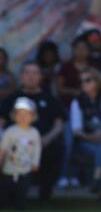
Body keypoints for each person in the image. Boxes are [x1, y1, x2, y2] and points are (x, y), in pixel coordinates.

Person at [0, 62, 65, 200]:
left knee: (57, 148)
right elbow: (1, 124)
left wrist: (46, 138)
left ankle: (45, 192)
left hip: (43, 142)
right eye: (27, 72)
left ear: (41, 77)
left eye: (35, 73)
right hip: (14, 144)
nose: (31, 76)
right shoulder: (11, 99)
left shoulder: (50, 99)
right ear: (22, 76)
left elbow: (58, 125)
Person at [0, 97, 41, 210]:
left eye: (26, 114)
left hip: (25, 170)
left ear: (32, 116)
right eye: (19, 114)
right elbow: (2, 149)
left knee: (22, 191)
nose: (23, 117)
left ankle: (20, 208)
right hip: (8, 169)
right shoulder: (10, 131)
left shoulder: (34, 133)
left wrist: (35, 162)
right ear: (14, 115)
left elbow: (37, 149)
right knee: (5, 191)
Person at [57, 36, 92, 108]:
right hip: (68, 104)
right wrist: (74, 92)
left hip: (90, 105)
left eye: (83, 48)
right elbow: (60, 89)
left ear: (88, 50)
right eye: (78, 48)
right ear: (73, 50)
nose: (81, 51)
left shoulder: (93, 66)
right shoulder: (66, 67)